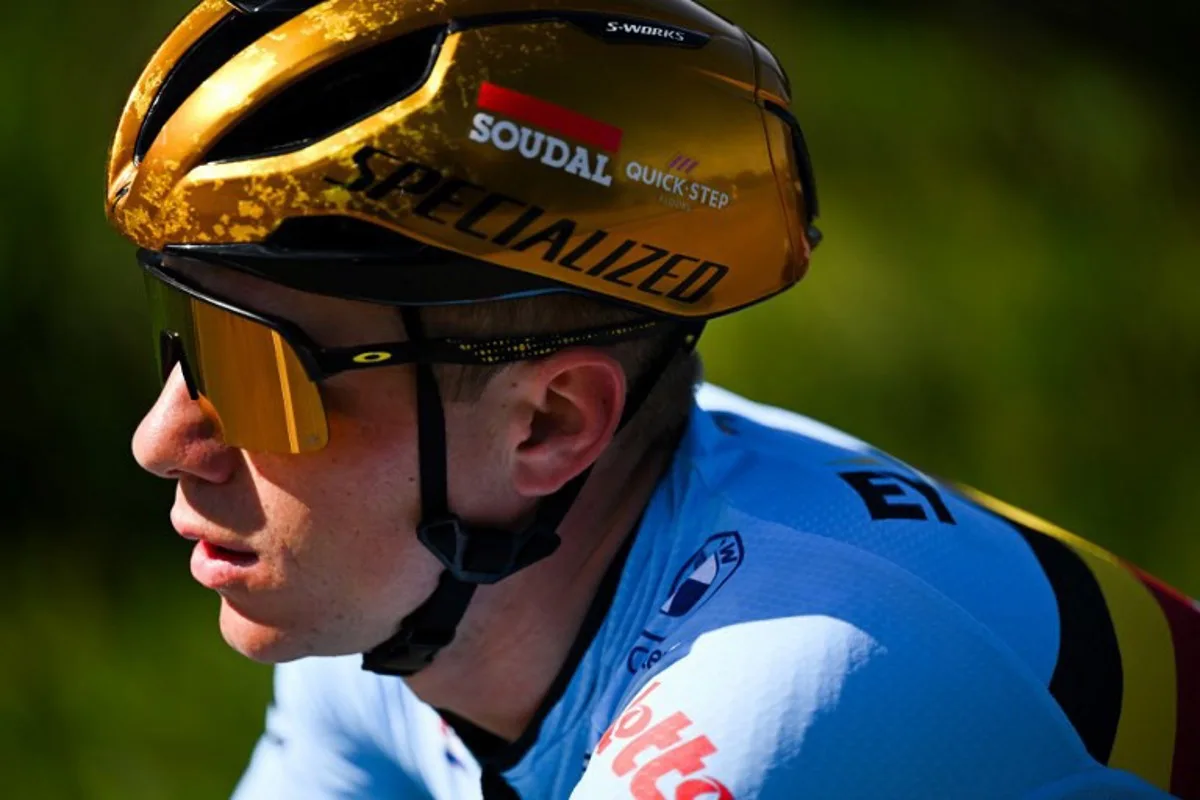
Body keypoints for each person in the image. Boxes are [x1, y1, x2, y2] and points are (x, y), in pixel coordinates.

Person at [107, 0, 1198, 797]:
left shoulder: (769, 716)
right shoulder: (389, 615)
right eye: (186, 345)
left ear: (551, 424)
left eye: (258, 372)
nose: (160, 439)